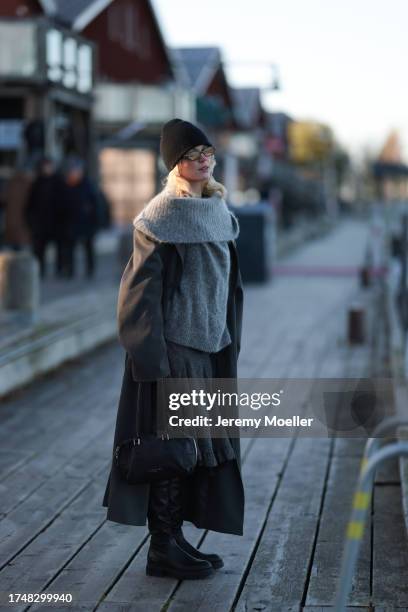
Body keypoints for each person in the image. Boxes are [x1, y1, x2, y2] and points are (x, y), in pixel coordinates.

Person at [102, 118, 245, 580]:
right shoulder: (161, 216)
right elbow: (136, 295)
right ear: (174, 165)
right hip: (175, 350)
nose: (203, 160)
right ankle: (162, 548)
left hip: (210, 348)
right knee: (174, 449)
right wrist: (154, 364)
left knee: (196, 451)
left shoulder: (220, 211)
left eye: (207, 152)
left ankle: (177, 539)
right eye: (192, 155)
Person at [56, 157, 100, 278]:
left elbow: (96, 206)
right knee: (69, 248)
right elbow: (60, 206)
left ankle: (90, 270)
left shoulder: (88, 186)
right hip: (71, 223)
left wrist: (95, 222)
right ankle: (69, 270)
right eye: (72, 171)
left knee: (88, 248)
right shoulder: (65, 186)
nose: (74, 174)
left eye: (76, 171)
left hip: (86, 223)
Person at [25, 156, 59, 278]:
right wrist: (31, 221)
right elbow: (30, 204)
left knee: (60, 249)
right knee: (39, 250)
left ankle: (60, 270)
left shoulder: (57, 182)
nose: (47, 168)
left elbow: (64, 203)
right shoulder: (37, 183)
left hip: (55, 222)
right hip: (40, 223)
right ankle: (40, 271)